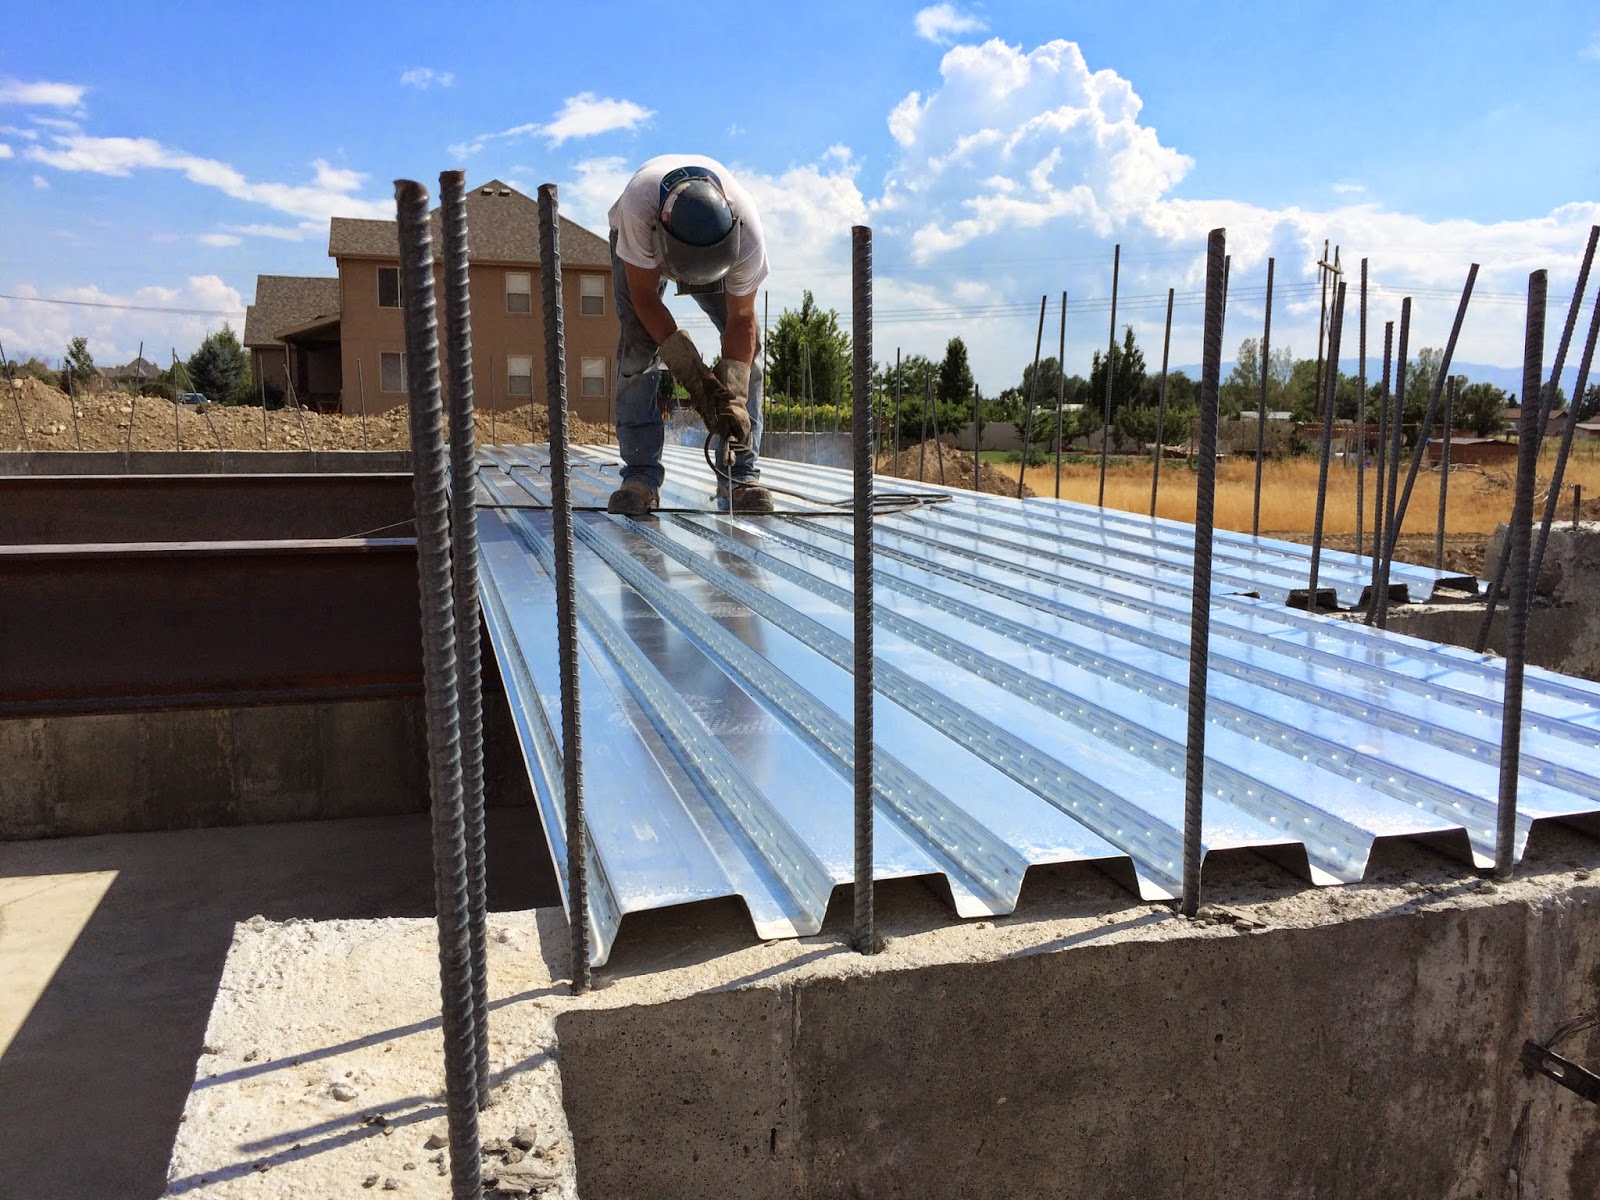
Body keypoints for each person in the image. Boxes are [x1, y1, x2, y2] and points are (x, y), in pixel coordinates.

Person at [605, 154, 774, 515]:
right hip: (642, 243)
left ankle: (739, 474)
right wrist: (695, 377)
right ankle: (640, 476)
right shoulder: (639, 211)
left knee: (751, 354)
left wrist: (734, 397)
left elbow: (741, 319)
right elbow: (645, 301)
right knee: (638, 346)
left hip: (714, 255)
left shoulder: (747, 236)